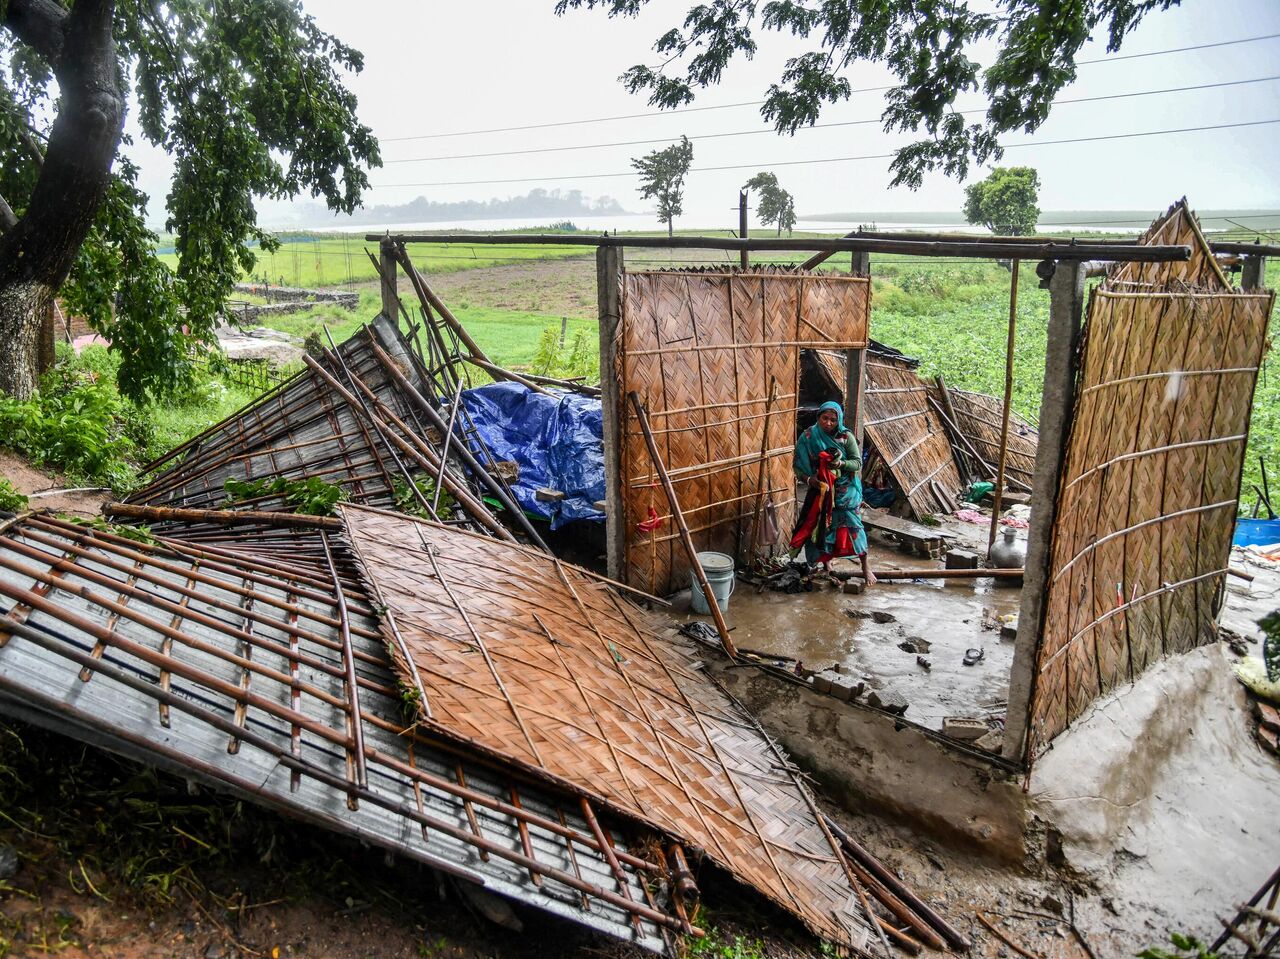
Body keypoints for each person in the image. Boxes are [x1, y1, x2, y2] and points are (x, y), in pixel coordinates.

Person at [789, 400, 876, 584]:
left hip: (845, 491)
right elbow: (798, 466)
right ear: (818, 417)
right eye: (825, 418)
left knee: (853, 527)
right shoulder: (808, 436)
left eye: (833, 420)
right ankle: (825, 564)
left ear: (839, 420)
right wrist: (809, 480)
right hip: (821, 490)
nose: (828, 423)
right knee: (821, 527)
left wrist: (841, 464)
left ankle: (866, 567)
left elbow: (857, 463)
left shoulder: (845, 437)